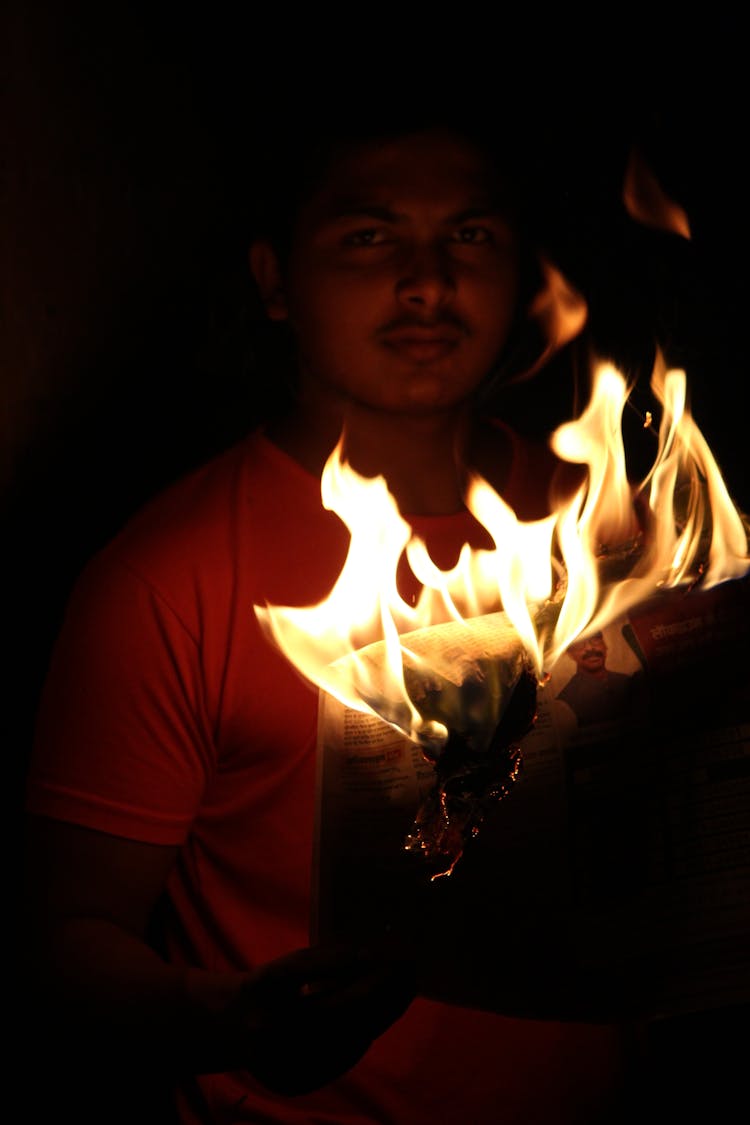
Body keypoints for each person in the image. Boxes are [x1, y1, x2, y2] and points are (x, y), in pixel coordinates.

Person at [23, 108, 637, 1123]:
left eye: (470, 236)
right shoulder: (168, 578)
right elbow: (66, 935)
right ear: (274, 279)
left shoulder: (610, 529)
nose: (429, 281)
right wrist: (222, 1017)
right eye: (370, 236)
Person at [556, 631, 645, 729]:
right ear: (570, 654)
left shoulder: (627, 681)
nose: (590, 648)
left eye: (595, 640)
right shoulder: (566, 701)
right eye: (579, 645)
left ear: (605, 647)